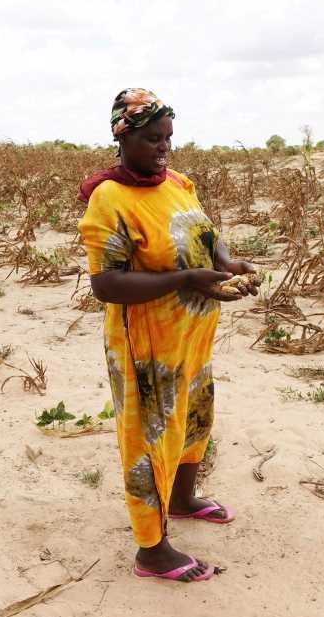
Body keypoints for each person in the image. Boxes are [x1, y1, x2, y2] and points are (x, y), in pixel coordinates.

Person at [78, 88, 258, 583]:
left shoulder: (179, 182)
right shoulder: (109, 198)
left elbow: (205, 236)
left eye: (168, 139)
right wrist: (183, 280)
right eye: (153, 139)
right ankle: (151, 551)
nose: (163, 149)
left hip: (192, 337)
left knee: (192, 420)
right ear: (124, 137)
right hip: (146, 347)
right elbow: (105, 284)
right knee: (148, 439)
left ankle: (182, 499)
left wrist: (228, 264)